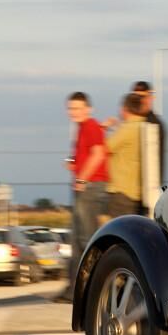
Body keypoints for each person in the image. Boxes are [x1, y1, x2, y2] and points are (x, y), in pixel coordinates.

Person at [61, 91, 109, 301]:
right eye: (71, 108)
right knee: (76, 240)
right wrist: (74, 164)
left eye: (79, 108)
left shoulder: (90, 126)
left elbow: (99, 153)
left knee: (85, 239)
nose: (74, 112)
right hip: (85, 187)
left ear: (88, 109)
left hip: (90, 188)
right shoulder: (83, 128)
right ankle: (74, 289)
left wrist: (82, 178)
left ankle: (89, 290)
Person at [105, 92, 146, 217]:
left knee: (118, 232)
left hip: (122, 192)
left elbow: (105, 148)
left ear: (125, 109)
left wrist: (104, 127)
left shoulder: (127, 129)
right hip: (138, 192)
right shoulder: (144, 126)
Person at [131, 81, 166, 185]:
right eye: (135, 98)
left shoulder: (153, 124)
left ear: (150, 98)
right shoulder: (133, 122)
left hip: (148, 185)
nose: (139, 101)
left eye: (142, 97)